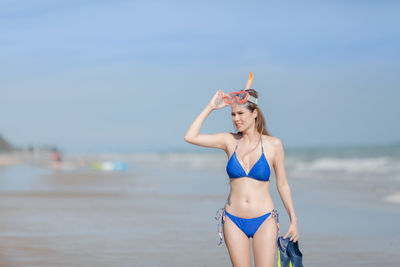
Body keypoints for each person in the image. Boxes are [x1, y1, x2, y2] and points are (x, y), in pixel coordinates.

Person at [184, 89, 299, 267]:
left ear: (254, 113)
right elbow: (190, 136)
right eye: (233, 114)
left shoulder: (273, 144)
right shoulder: (229, 141)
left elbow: (282, 184)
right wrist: (211, 107)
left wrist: (293, 219)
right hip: (233, 220)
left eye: (240, 113)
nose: (236, 119)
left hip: (264, 219)